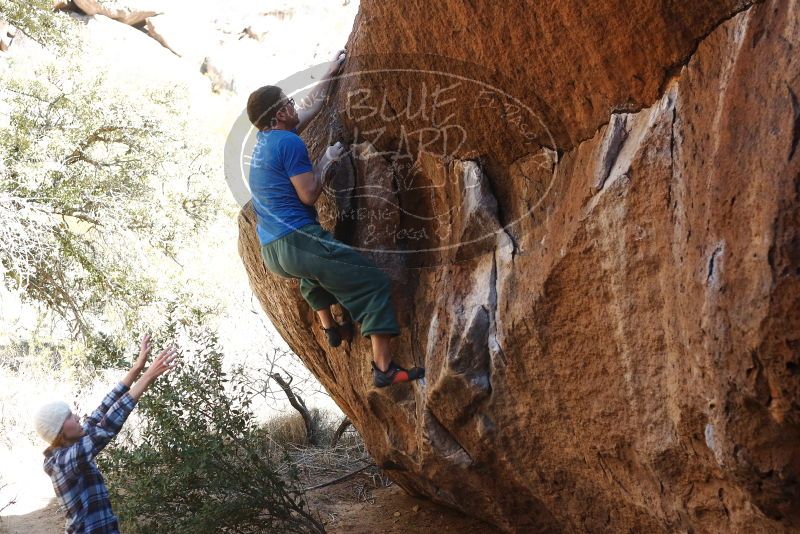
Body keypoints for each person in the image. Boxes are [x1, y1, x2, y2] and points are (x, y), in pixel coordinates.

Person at [246, 48, 424, 388]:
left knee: (314, 273)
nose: (293, 105)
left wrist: (330, 73)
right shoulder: (288, 143)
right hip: (299, 240)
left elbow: (311, 108)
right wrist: (327, 160)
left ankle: (330, 326)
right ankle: (384, 369)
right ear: (277, 115)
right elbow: (309, 194)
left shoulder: (267, 141)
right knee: (371, 282)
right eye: (287, 103)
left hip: (274, 252)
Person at [34, 334, 179, 534]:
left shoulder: (72, 445)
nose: (77, 417)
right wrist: (148, 376)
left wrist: (138, 367)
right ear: (59, 431)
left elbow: (103, 409)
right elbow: (106, 427)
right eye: (69, 416)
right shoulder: (63, 463)